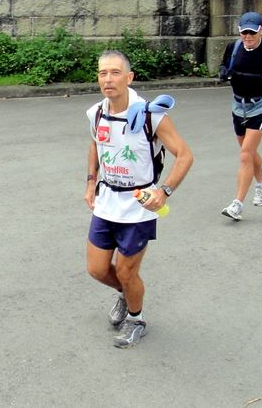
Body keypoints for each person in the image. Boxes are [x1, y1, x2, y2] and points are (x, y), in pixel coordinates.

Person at [84, 50, 193, 348]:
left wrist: (164, 191)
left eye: (115, 72)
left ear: (129, 77)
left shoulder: (150, 115)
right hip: (107, 201)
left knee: (126, 271)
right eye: (103, 73)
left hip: (138, 206)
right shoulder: (96, 112)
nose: (108, 79)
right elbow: (95, 144)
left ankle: (136, 319)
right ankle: (127, 293)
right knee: (96, 269)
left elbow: (184, 155)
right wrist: (91, 182)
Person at [218, 11, 262, 221]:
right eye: (244, 33)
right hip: (238, 105)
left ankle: (237, 204)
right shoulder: (233, 48)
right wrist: (223, 72)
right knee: (247, 151)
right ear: (240, 32)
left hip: (261, 105)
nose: (248, 37)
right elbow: (224, 65)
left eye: (252, 32)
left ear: (261, 31)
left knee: (245, 154)